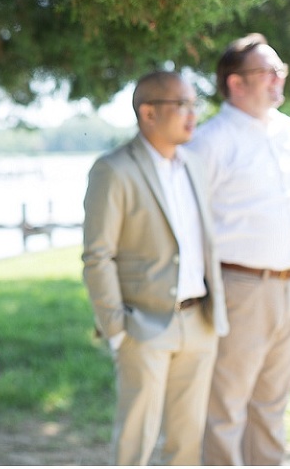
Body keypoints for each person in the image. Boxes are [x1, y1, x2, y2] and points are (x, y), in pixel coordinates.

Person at [82, 71, 230, 465]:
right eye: (182, 104)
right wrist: (117, 329)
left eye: (193, 104)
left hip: (199, 320)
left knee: (186, 442)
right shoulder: (113, 169)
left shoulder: (195, 164)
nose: (192, 114)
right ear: (148, 112)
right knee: (135, 441)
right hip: (142, 327)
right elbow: (97, 256)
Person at [186, 33, 290, 466]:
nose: (277, 79)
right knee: (226, 407)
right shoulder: (209, 142)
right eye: (267, 72)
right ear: (235, 83)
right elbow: (188, 223)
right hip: (240, 287)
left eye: (279, 70)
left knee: (272, 404)